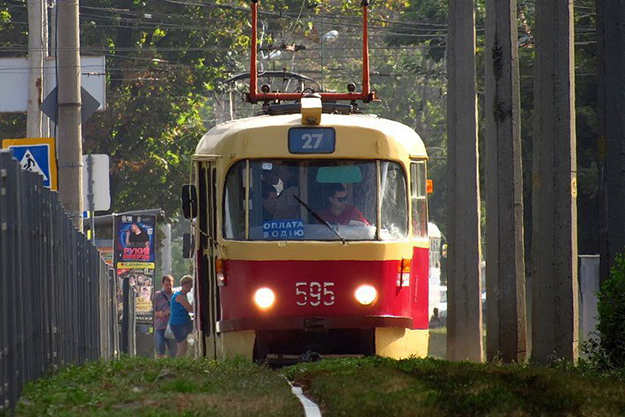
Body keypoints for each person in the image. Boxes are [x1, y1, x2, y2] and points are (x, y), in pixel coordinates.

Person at [169, 275, 194, 357]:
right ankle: (178, 363)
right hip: (178, 324)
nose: (191, 288)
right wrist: (195, 301)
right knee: (182, 347)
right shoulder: (179, 296)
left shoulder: (183, 295)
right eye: (190, 285)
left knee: (184, 346)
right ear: (185, 285)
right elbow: (190, 309)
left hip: (183, 323)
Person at [154, 275, 176, 358]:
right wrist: (160, 314)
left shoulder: (176, 295)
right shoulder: (158, 295)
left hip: (173, 327)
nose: (169, 287)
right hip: (160, 327)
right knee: (160, 348)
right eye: (167, 285)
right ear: (163, 284)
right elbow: (152, 311)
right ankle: (161, 364)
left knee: (173, 350)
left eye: (170, 284)